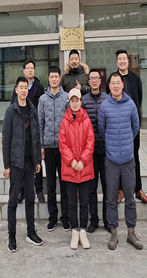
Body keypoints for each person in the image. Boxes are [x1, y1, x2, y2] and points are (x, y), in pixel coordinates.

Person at [99, 72, 142, 251]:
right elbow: (102, 129)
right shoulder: (104, 106)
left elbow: (135, 127)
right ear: (109, 86)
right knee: (111, 198)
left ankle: (131, 232)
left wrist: (125, 143)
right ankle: (114, 232)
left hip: (128, 159)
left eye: (118, 83)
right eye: (113, 83)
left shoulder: (130, 104)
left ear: (122, 85)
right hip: (111, 160)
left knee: (130, 198)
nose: (116, 86)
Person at [2, 77, 43, 253]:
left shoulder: (33, 110)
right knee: (13, 200)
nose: (24, 90)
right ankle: (11, 235)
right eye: (21, 87)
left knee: (31, 198)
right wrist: (6, 165)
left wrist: (38, 161)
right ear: (16, 90)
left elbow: (37, 136)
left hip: (30, 162)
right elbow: (6, 139)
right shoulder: (11, 111)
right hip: (16, 163)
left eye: (26, 87)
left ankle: (31, 232)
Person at [107, 49, 147, 204]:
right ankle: (121, 189)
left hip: (131, 127)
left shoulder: (135, 79)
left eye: (124, 59)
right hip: (116, 127)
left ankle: (138, 188)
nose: (122, 61)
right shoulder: (113, 79)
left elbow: (139, 99)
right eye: (120, 59)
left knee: (134, 156)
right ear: (116, 62)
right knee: (118, 159)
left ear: (128, 61)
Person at [59, 88, 95, 250]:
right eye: (72, 101)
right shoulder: (64, 121)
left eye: (77, 100)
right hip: (70, 167)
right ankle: (75, 231)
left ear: (81, 102)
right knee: (72, 202)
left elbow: (90, 142)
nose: (74, 103)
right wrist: (72, 161)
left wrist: (83, 160)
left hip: (84, 167)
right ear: (69, 102)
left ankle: (83, 231)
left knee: (84, 201)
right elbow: (62, 143)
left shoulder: (86, 120)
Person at [38, 66, 70, 232]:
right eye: (51, 77)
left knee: (64, 184)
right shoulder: (43, 99)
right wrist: (41, 146)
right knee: (50, 184)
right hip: (49, 147)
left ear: (59, 78)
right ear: (49, 79)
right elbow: (40, 124)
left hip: (63, 148)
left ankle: (65, 217)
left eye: (56, 77)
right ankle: (52, 217)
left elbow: (70, 123)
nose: (54, 79)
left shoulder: (66, 97)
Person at [10, 59, 45, 203]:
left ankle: (39, 190)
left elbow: (41, 105)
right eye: (28, 68)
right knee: (23, 161)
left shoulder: (39, 86)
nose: (30, 70)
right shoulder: (19, 87)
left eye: (32, 68)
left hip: (34, 125)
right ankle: (21, 191)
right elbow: (13, 106)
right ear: (24, 70)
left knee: (36, 159)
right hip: (21, 128)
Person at [81, 69, 109, 233]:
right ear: (89, 81)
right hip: (90, 152)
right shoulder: (84, 100)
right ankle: (94, 220)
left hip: (105, 150)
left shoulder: (107, 99)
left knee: (107, 187)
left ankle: (107, 220)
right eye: (91, 78)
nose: (94, 81)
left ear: (100, 80)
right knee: (91, 189)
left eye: (96, 78)